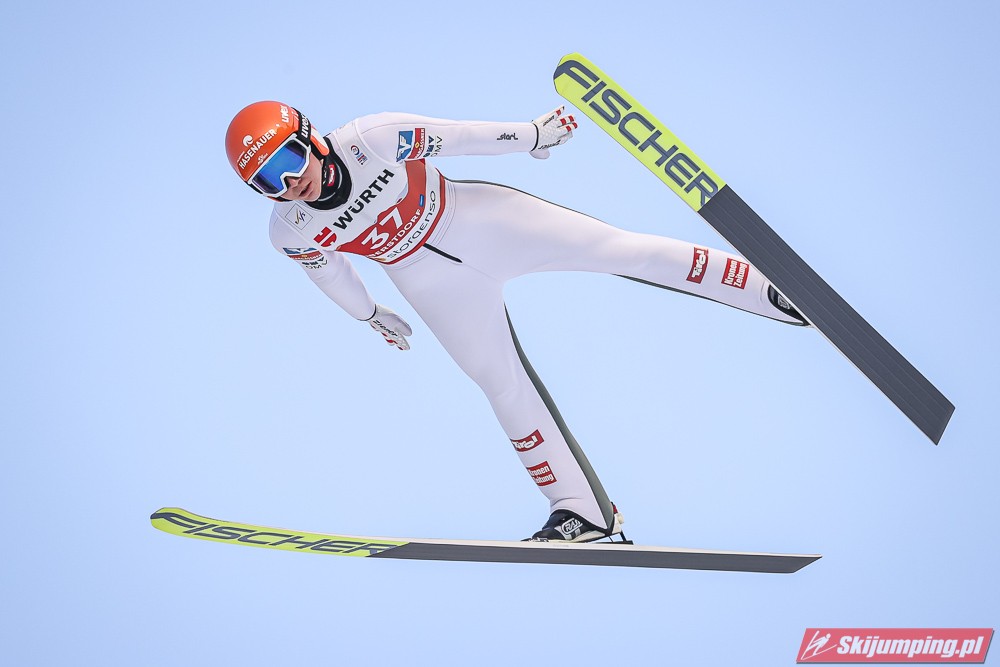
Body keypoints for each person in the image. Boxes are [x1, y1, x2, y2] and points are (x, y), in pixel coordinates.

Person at [224, 101, 807, 543]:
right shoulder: (290, 228)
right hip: (431, 282)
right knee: (500, 385)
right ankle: (581, 511)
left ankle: (769, 290)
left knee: (623, 251)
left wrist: (531, 135)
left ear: (311, 138)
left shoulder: (371, 139)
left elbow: (458, 136)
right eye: (267, 182)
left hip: (485, 221)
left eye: (288, 161)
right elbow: (328, 274)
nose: (289, 184)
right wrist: (369, 313)